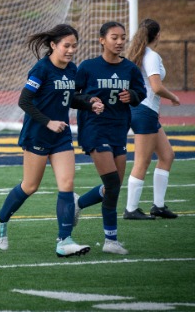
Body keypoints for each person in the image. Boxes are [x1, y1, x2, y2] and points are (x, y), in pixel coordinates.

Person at [0, 24, 103, 257]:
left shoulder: (72, 69)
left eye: (74, 46)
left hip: (61, 137)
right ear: (53, 45)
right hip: (37, 135)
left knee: (67, 184)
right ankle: (0, 219)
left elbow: (69, 98)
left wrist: (89, 102)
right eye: (66, 46)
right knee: (30, 186)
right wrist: (48, 122)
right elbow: (24, 101)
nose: (71, 50)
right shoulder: (41, 69)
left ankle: (64, 241)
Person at [74, 21, 146, 255]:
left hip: (118, 129)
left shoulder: (130, 69)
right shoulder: (88, 67)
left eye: (123, 37)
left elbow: (141, 93)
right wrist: (89, 101)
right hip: (94, 128)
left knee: (113, 187)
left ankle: (78, 203)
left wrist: (132, 95)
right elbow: (72, 96)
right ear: (102, 40)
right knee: (113, 184)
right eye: (114, 37)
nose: (120, 42)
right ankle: (110, 240)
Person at [123, 19, 181, 220]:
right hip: (144, 111)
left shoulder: (139, 54)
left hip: (144, 111)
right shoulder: (151, 55)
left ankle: (158, 206)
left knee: (167, 155)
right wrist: (173, 97)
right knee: (142, 161)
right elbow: (156, 87)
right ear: (157, 35)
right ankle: (131, 209)